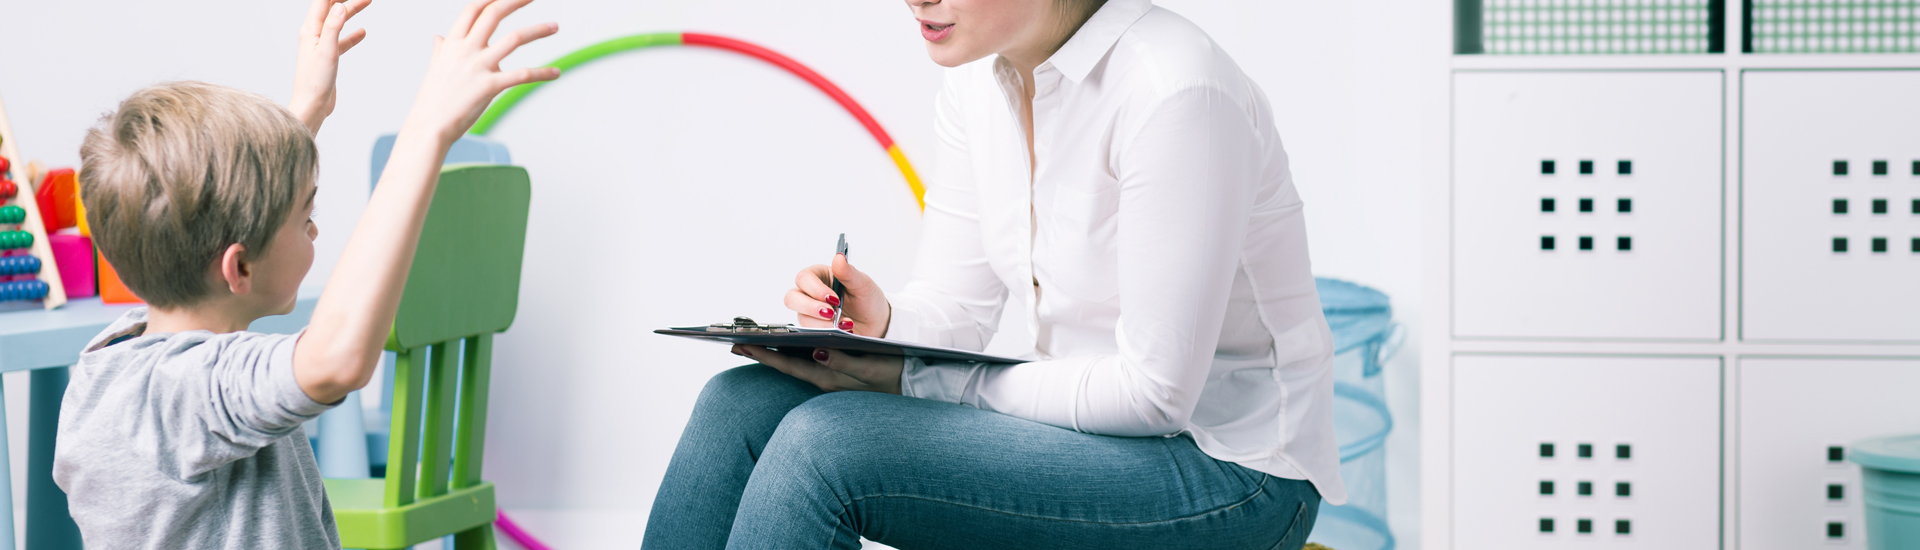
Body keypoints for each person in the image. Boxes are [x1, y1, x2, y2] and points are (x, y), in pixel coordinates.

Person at [645, 0, 1342, 548]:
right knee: (737, 403)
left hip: (1232, 474)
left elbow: (1155, 396)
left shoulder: (1175, 91)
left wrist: (913, 378)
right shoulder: (980, 83)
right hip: (1083, 433)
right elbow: (956, 307)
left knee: (825, 445)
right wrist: (878, 327)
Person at [53, 0, 559, 547]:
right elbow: (336, 357)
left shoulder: (116, 363)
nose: (315, 231)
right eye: (306, 217)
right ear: (239, 267)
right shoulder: (185, 391)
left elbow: (231, 216)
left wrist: (306, 111)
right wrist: (427, 130)